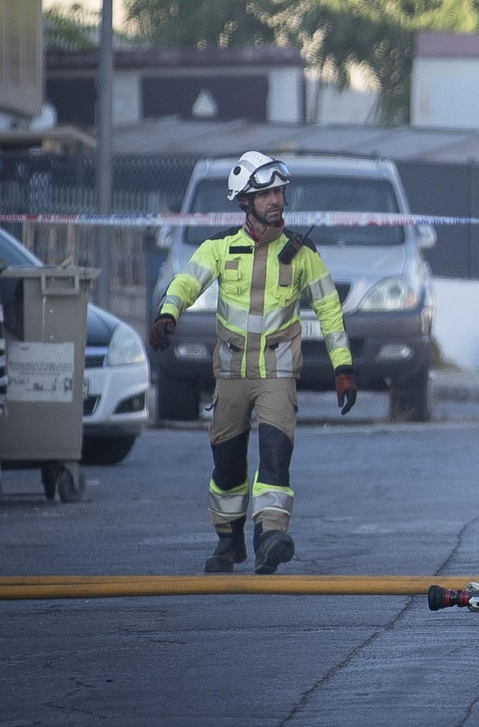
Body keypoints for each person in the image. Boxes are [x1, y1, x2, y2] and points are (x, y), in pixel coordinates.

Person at [149, 152, 356, 574]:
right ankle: (229, 541)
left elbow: (330, 312)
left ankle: (269, 537)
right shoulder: (219, 249)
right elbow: (187, 281)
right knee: (226, 461)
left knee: (275, 455)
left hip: (278, 371)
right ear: (245, 201)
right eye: (265, 194)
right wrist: (168, 313)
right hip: (231, 372)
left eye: (279, 191)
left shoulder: (303, 254)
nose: (276, 200)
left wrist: (343, 368)